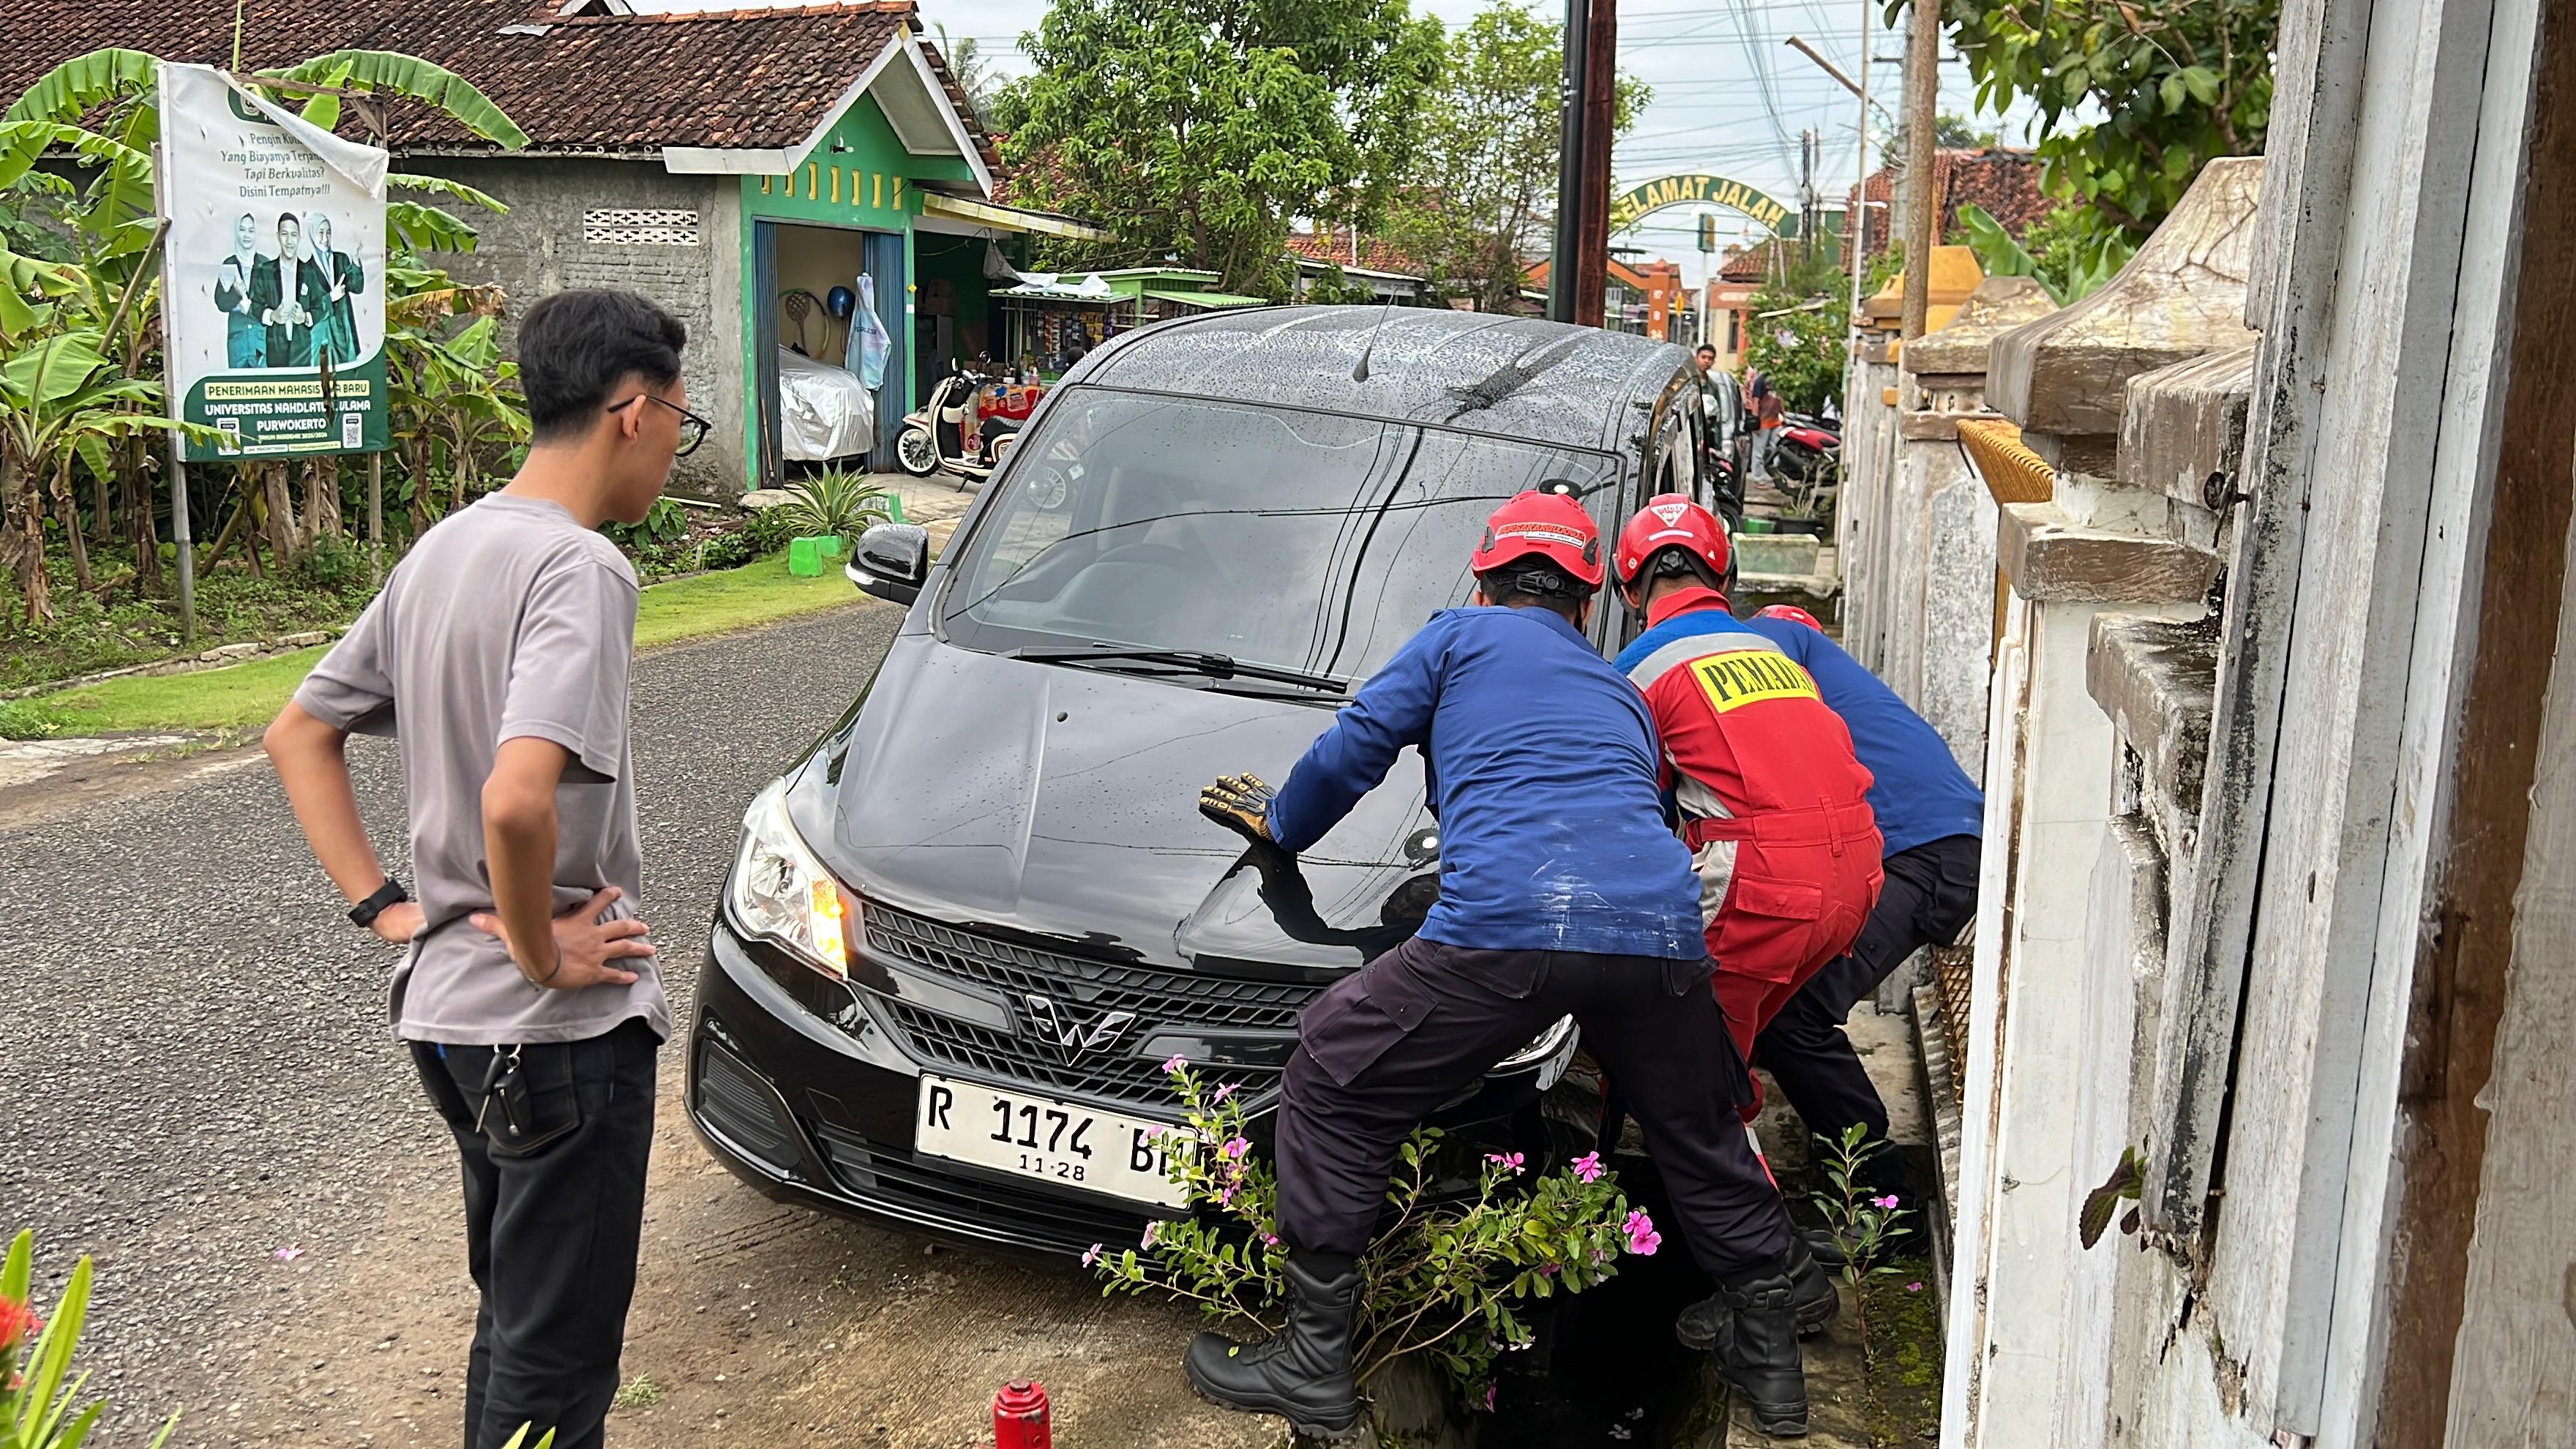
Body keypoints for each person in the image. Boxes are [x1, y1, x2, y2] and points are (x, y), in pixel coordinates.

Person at [1187, 490, 1817, 1439]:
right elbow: (1638, 813)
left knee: (1329, 1071)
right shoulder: (1619, 689)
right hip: (1658, 935)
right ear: (1587, 602)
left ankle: (1317, 1359)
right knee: (1698, 1133)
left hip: (1507, 927)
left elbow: (1358, 748)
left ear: (1482, 583)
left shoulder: (1453, 641)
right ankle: (1774, 1379)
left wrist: (1281, 823)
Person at [263, 289, 703, 1449]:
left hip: (450, 1020)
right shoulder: (581, 569)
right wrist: (538, 950)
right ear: (632, 411)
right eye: (682, 422)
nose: (674, 446)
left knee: (515, 1329)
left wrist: (384, 906)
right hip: (555, 1038)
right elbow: (517, 799)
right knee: (556, 1375)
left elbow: (298, 732)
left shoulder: (447, 546)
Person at [1609, 496, 1882, 1071]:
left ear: (1630, 592)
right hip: (1854, 878)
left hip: (1765, 891)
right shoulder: (1773, 651)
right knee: (1729, 1052)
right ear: (1726, 581)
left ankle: (1712, 1139)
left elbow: (1633, 814)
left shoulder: (1637, 672)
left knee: (1681, 1071)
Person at [1742, 602, 1983, 1246]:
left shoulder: (1766, 640)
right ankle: (1840, 1169)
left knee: (1794, 1014)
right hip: (1929, 848)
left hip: (1924, 855)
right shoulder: (1826, 675)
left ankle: (1886, 1207)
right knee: (1776, 1000)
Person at [250, 213, 314, 368]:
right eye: (285, 234)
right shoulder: (265, 271)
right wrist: (272, 315)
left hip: (302, 351)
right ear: (278, 236)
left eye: (293, 235)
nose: (289, 241)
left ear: (299, 237)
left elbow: (321, 306)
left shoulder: (311, 272)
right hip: (275, 350)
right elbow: (255, 305)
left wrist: (305, 317)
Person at [307, 212, 364, 367]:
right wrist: (331, 297)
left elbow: (357, 287)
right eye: (320, 233)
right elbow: (308, 308)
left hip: (342, 328)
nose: (325, 238)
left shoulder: (341, 259)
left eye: (328, 232)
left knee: (346, 376)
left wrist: (355, 259)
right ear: (312, 234)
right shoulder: (306, 270)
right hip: (323, 332)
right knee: (322, 380)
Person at [213, 212, 266, 369]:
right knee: (239, 386)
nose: (247, 235)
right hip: (238, 340)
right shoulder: (229, 265)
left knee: (265, 387)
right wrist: (236, 296)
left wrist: (250, 307)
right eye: (242, 230)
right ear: (236, 232)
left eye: (251, 230)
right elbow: (221, 302)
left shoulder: (266, 264)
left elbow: (273, 300)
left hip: (260, 339)